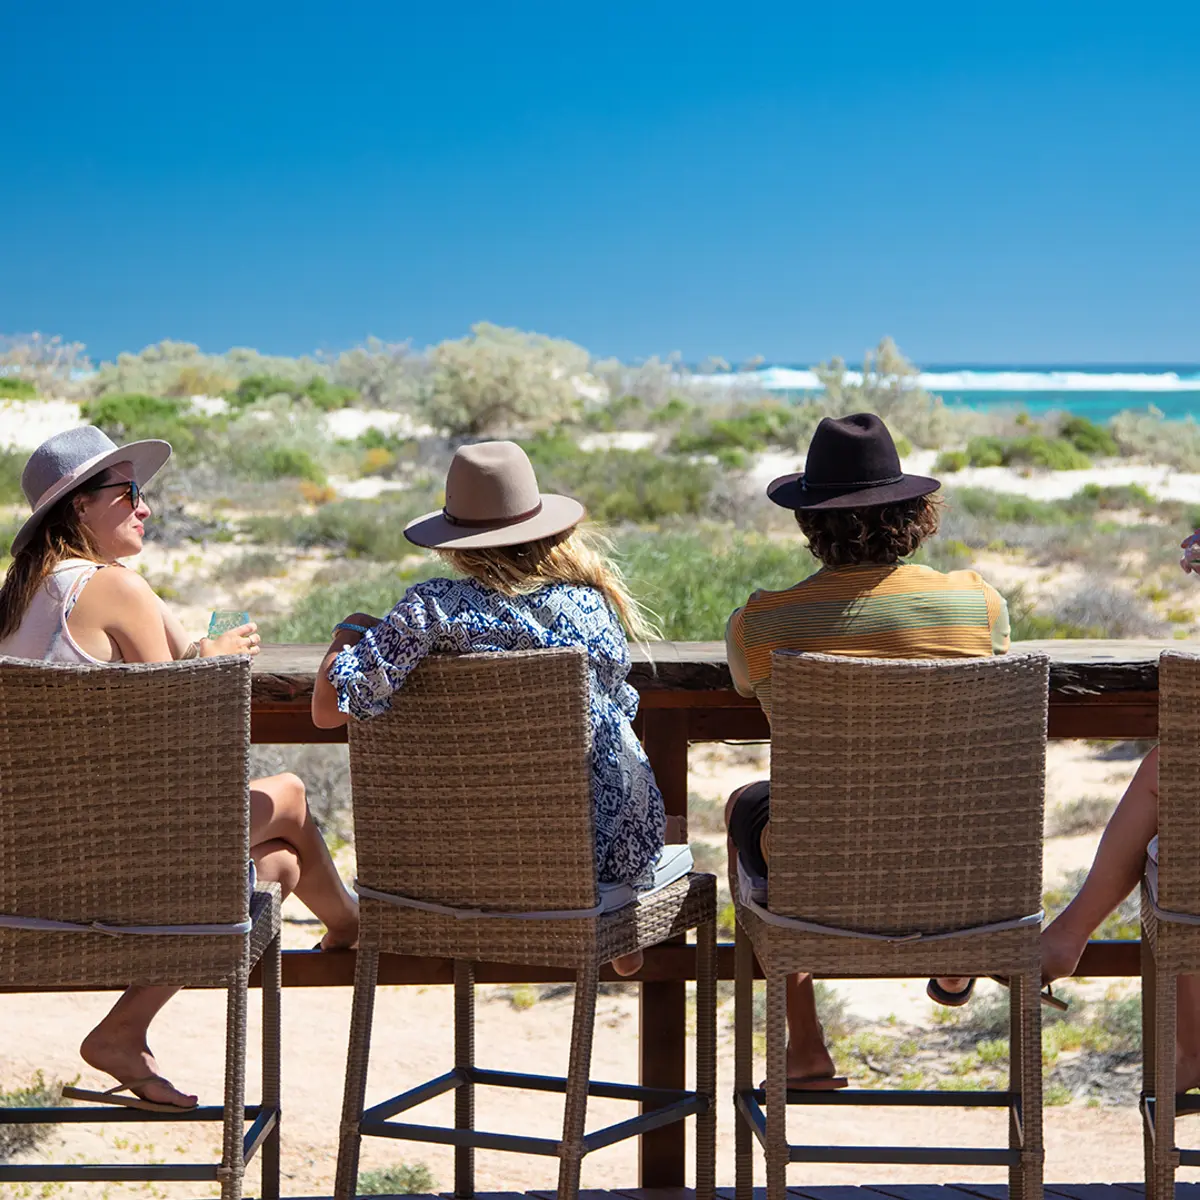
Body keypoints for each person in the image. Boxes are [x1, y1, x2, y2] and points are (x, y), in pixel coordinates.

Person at [0, 426, 359, 1112]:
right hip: (121, 881)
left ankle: (123, 1031)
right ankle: (350, 925)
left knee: (277, 868)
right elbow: (182, 743)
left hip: (30, 890)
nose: (145, 507)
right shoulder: (113, 588)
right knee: (286, 795)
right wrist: (218, 662)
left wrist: (198, 654)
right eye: (128, 492)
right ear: (79, 507)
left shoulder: (21, 598)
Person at [723, 412, 1012, 1089]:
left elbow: (741, 684)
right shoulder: (978, 606)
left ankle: (807, 1047)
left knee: (748, 805)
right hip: (958, 855)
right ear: (916, 514)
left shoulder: (763, 622)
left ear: (809, 522)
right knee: (939, 807)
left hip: (825, 860)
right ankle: (953, 951)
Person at [311, 440, 671, 975]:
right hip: (601, 850)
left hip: (460, 860)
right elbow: (619, 704)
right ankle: (610, 919)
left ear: (454, 543)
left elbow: (329, 708)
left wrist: (351, 631)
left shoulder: (433, 610)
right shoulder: (592, 604)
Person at [1038, 527, 1200, 1092]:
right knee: (1171, 784)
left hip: (812, 901)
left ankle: (1195, 1050)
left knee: (1178, 849)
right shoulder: (971, 606)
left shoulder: (764, 622)